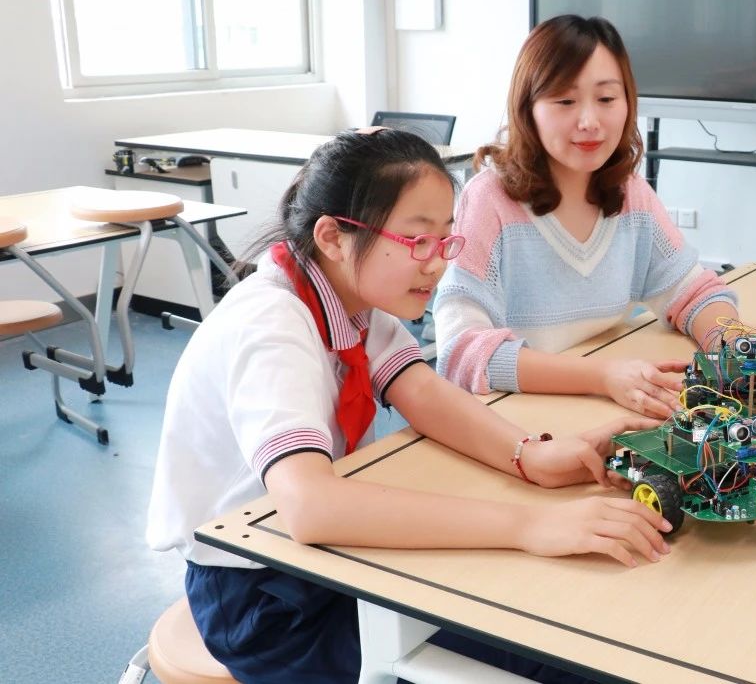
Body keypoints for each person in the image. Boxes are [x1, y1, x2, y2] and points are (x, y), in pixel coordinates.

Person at [146, 128, 671, 684]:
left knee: (543, 609)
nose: (437, 264)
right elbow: (311, 507)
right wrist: (530, 524)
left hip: (321, 564)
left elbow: (422, 393)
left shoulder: (347, 297)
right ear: (333, 236)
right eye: (418, 240)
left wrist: (530, 456)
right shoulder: (271, 325)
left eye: (445, 240)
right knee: (551, 651)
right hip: (266, 601)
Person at [434, 15, 739, 419]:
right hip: (516, 419)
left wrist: (734, 348)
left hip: (602, 411)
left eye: (607, 99)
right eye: (565, 101)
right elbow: (460, 352)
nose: (590, 122)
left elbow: (694, 292)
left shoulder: (630, 195)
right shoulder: (489, 200)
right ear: (528, 108)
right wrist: (601, 376)